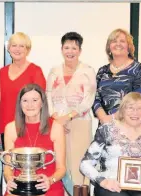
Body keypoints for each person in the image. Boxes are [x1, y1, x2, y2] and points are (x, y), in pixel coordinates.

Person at [1, 84, 66, 196]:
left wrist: (50, 180)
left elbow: (61, 168)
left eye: (34, 100)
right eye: (25, 101)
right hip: (19, 183)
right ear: (19, 104)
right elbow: (8, 165)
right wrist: (9, 177)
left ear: (42, 102)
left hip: (47, 186)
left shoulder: (55, 127)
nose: (30, 105)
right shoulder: (11, 128)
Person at [46, 31, 96, 187]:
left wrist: (67, 118)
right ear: (62, 49)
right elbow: (48, 95)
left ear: (80, 51)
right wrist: (56, 119)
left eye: (74, 48)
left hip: (79, 121)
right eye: (67, 47)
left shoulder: (87, 70)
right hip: (57, 123)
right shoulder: (54, 70)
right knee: (60, 160)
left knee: (78, 160)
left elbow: (89, 98)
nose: (70, 52)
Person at [0, 32, 46, 146]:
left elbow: (41, 102)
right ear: (9, 49)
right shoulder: (1, 73)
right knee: (10, 162)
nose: (17, 49)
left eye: (21, 46)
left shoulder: (36, 71)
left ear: (27, 50)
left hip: (30, 127)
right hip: (6, 129)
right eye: (14, 45)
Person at [93, 29, 141, 125]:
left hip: (130, 126)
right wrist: (103, 118)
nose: (118, 44)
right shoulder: (102, 71)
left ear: (129, 47)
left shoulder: (139, 69)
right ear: (109, 47)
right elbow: (95, 98)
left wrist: (112, 118)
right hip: (105, 126)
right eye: (114, 41)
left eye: (122, 41)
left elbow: (137, 99)